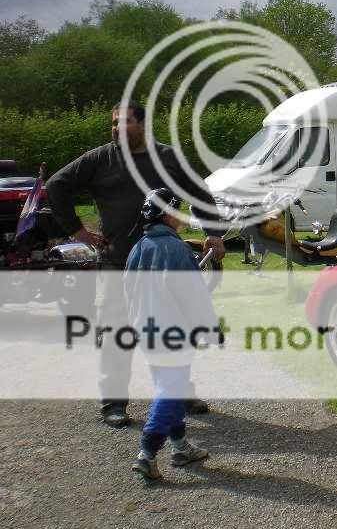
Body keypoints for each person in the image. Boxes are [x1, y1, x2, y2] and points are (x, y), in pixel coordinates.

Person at [45, 101, 226, 427]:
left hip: (164, 262)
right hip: (119, 261)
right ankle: (113, 403)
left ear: (142, 125)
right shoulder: (101, 158)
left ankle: (180, 392)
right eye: (113, 124)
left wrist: (213, 234)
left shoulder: (167, 158)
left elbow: (200, 193)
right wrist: (76, 229)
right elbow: (55, 185)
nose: (116, 129)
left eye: (123, 123)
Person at [126, 188, 219, 481]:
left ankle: (179, 447)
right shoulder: (178, 251)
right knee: (171, 391)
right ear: (168, 215)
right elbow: (194, 295)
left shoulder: (139, 247)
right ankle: (147, 454)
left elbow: (129, 291)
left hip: (148, 331)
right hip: (174, 332)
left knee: (168, 387)